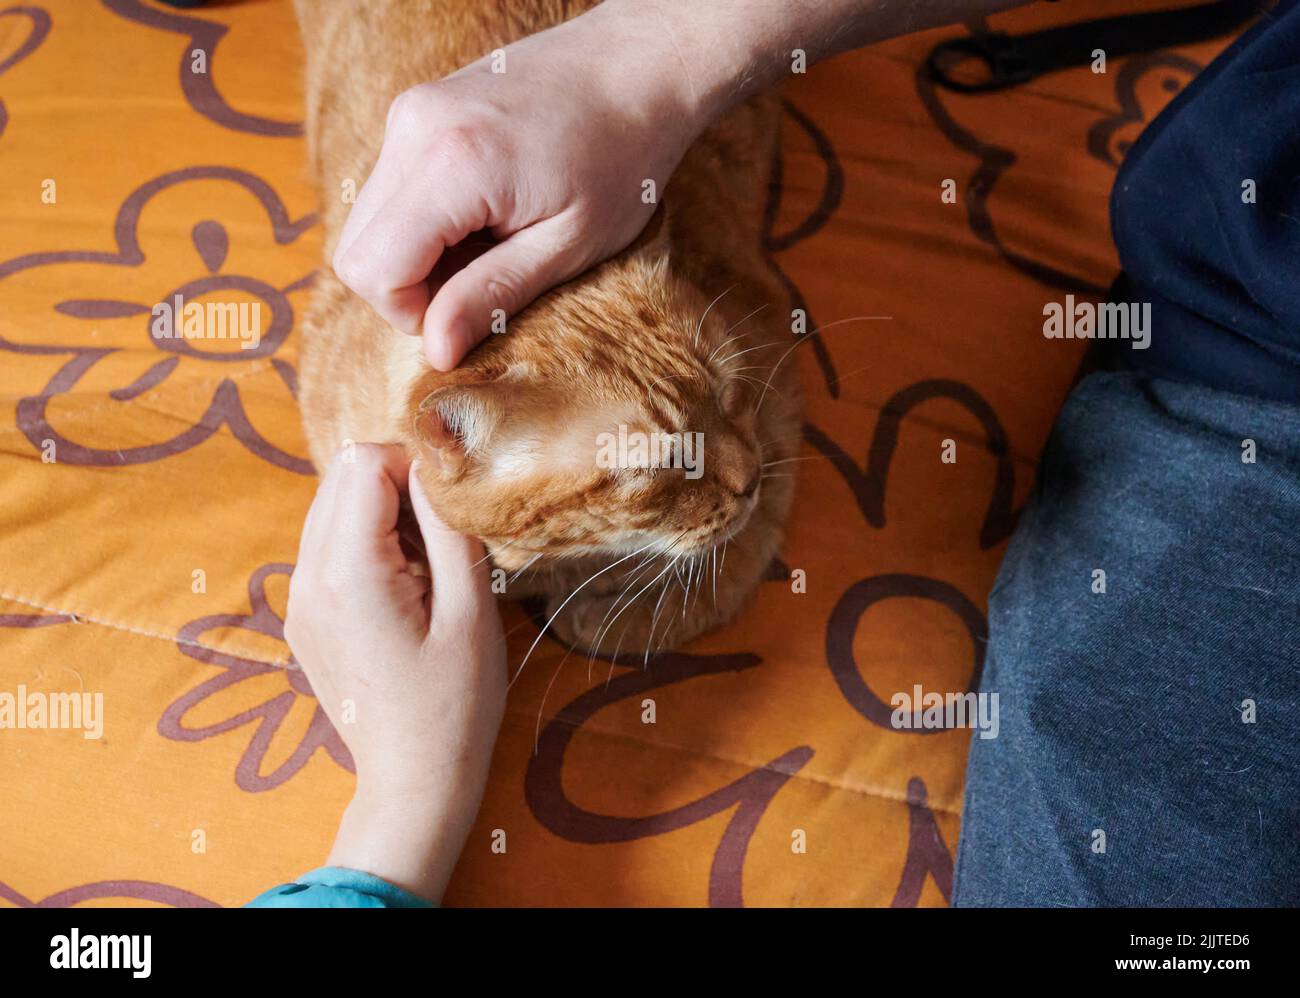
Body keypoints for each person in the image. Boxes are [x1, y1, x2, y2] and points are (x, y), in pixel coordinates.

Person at [252, 0, 1299, 907]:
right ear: (452, 443)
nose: (746, 475)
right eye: (675, 468)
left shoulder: (636, 251)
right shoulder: (417, 406)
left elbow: (744, 335)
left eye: (724, 396)